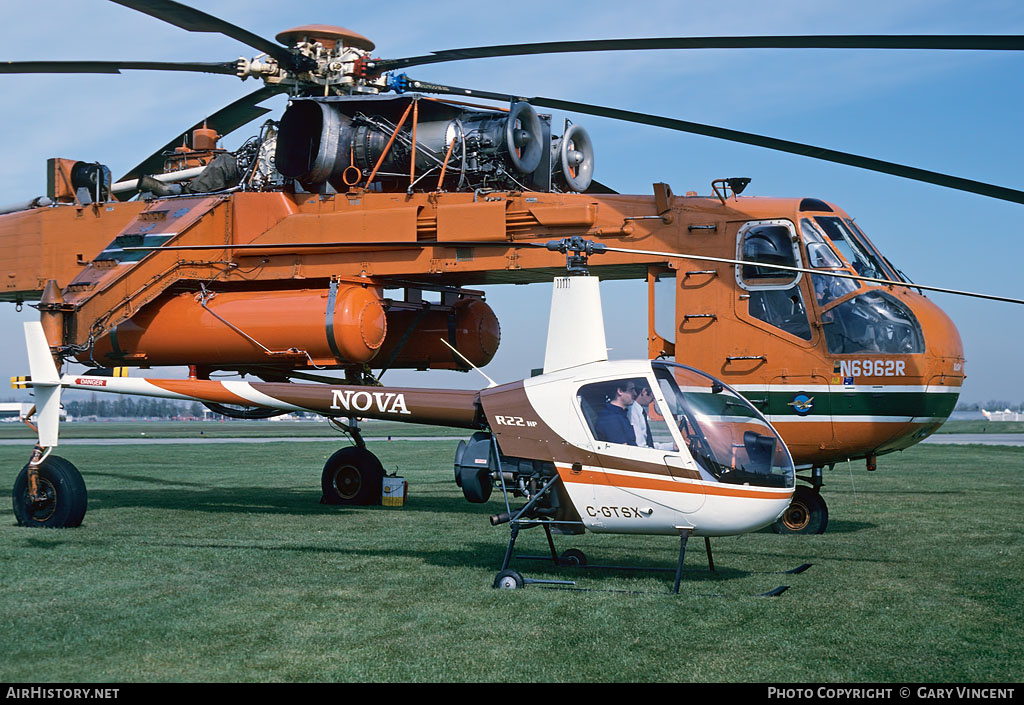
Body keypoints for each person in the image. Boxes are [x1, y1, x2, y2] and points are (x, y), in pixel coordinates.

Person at [593, 380, 637, 445]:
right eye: (631, 390)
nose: (635, 393)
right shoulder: (610, 418)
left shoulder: (620, 414)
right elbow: (623, 449)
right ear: (620, 391)